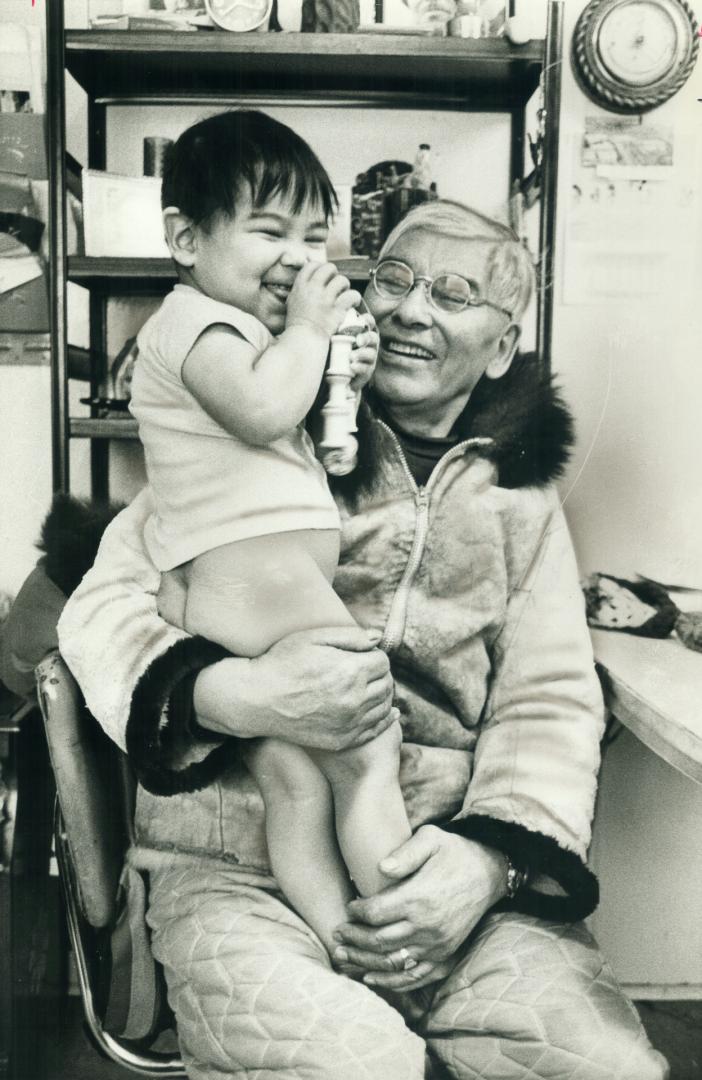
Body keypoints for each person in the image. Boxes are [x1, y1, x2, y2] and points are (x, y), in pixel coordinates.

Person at [58, 197, 669, 1080]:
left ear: (502, 347)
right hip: (238, 866)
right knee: (353, 1065)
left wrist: (489, 864)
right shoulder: (256, 432)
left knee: (604, 1065)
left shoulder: (522, 503)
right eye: (393, 279)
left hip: (445, 879)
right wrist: (226, 696)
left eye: (455, 294)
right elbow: (102, 608)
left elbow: (551, 701)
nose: (411, 310)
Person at [128, 108, 410, 953]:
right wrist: (312, 334)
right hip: (252, 580)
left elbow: (322, 450)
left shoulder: (260, 333)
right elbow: (258, 414)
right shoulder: (190, 324)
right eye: (269, 229)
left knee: (296, 784)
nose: (298, 255)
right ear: (185, 238)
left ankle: (336, 939)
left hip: (247, 589)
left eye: (315, 236)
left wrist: (343, 381)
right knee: (367, 740)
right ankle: (402, 936)